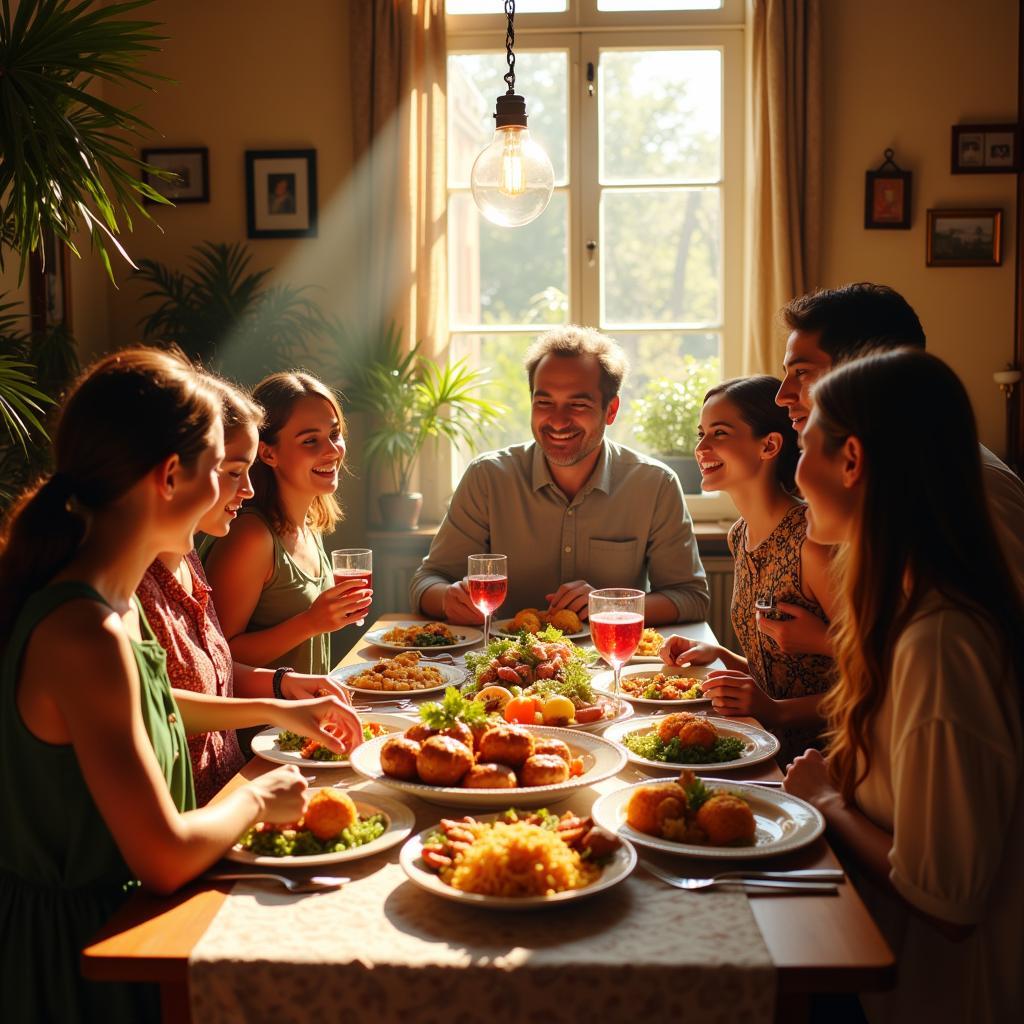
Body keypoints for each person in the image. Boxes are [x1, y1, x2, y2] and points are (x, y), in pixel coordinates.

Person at [0, 349, 361, 1023]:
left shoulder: (113, 600)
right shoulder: (87, 632)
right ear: (171, 476)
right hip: (85, 950)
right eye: (225, 467)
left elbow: (149, 707)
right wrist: (258, 796)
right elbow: (164, 855)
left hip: (130, 915)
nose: (243, 484)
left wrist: (277, 706)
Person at [781, 348, 1024, 1023]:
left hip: (931, 993)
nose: (795, 473)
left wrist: (828, 800)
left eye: (804, 445)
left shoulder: (940, 645)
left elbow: (949, 905)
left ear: (851, 460)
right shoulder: (905, 608)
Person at [136, 379, 355, 806]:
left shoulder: (188, 558)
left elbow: (211, 673)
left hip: (232, 786)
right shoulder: (128, 590)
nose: (249, 488)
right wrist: (275, 707)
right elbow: (151, 704)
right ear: (171, 473)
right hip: (215, 803)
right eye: (234, 472)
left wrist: (282, 687)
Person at [410, 326, 710, 626]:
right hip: (504, 663)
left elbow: (691, 597)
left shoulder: (655, 484)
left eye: (578, 404)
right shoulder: (487, 477)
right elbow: (427, 581)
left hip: (608, 662)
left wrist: (609, 606)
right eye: (544, 403)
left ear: (611, 410)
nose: (557, 420)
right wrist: (448, 599)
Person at [776, 282, 1024, 609]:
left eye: (802, 372)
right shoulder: (879, 479)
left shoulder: (978, 488)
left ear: (866, 369)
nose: (782, 396)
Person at [660, 376, 835, 763]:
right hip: (763, 741)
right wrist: (721, 654)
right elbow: (781, 673)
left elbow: (876, 681)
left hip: (824, 759)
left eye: (719, 433)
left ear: (769, 445)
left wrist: (776, 711)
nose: (701, 448)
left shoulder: (813, 541)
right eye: (701, 433)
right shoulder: (740, 535)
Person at [204, 371, 371, 675]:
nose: (333, 451)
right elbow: (218, 656)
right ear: (267, 453)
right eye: (311, 440)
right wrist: (310, 622)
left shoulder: (309, 523)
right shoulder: (251, 535)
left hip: (307, 716)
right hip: (265, 722)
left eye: (334, 434)